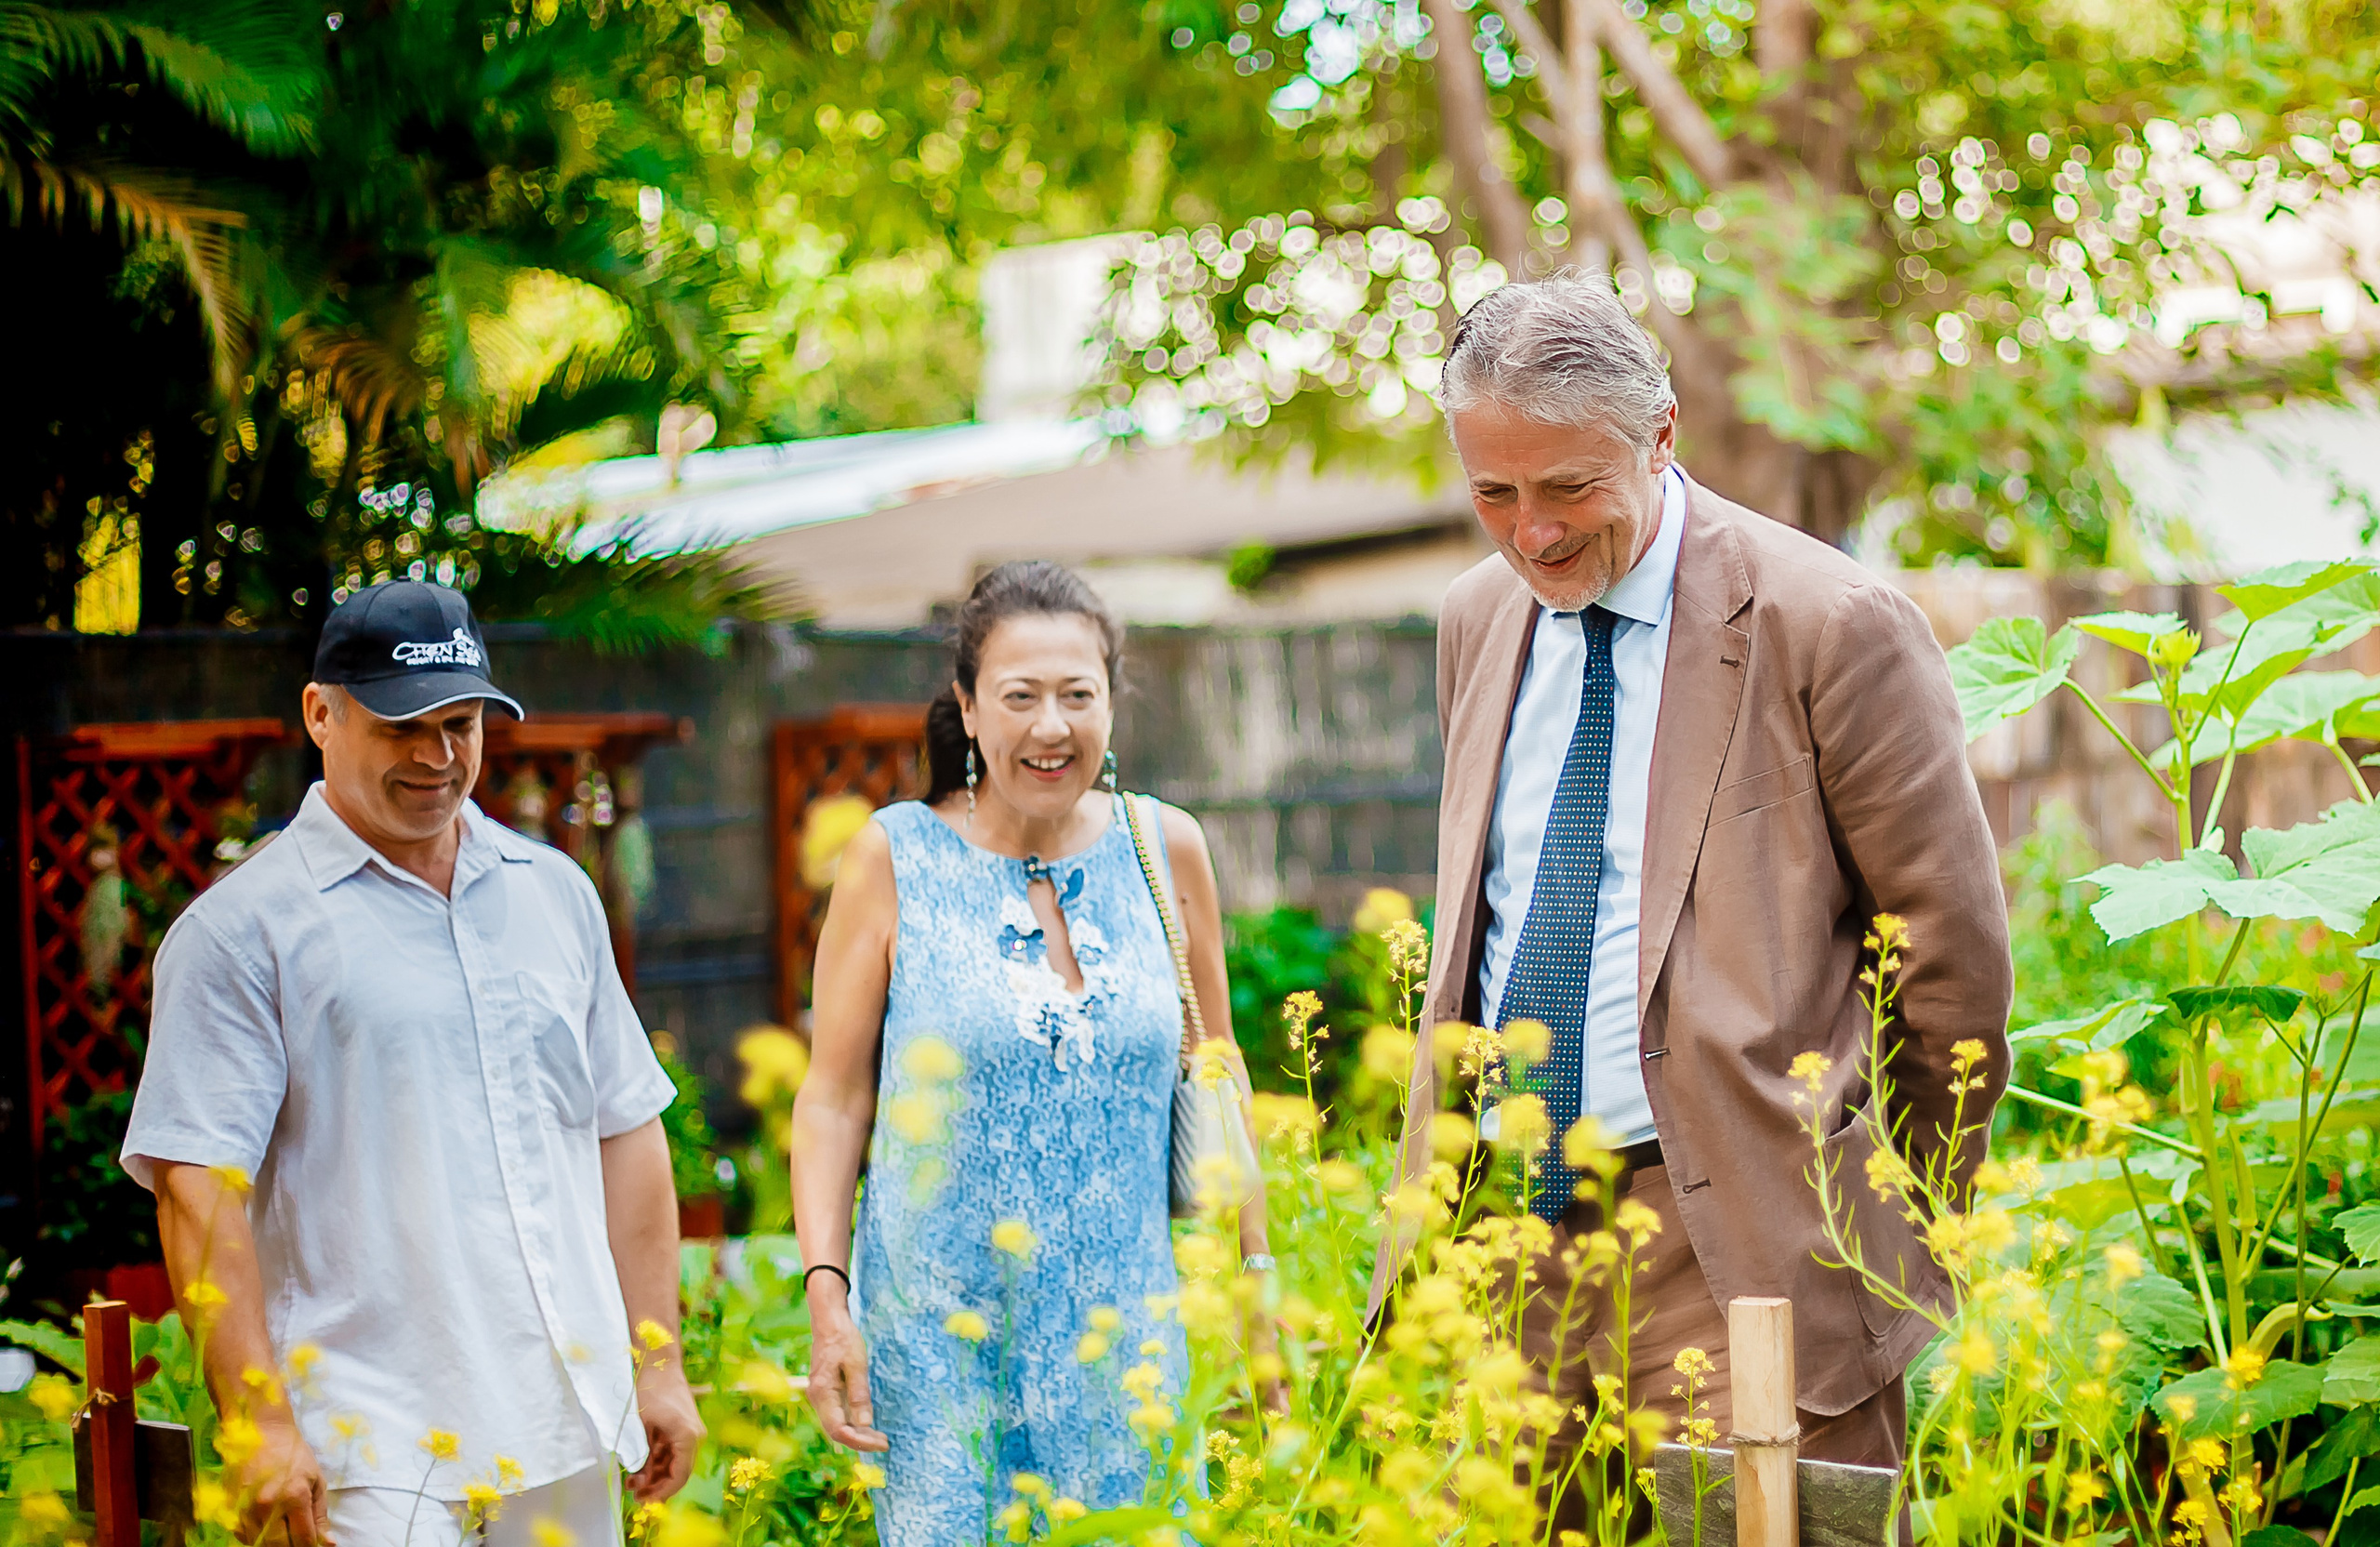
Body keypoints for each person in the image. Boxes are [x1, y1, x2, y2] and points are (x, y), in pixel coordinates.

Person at [1368, 274, 2013, 1515]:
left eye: (1567, 489)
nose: (1531, 535)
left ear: (1661, 437)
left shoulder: (1833, 622)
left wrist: (1888, 1227)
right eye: (1492, 494)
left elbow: (1952, 970)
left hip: (1742, 1250)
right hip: (1500, 1242)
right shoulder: (1475, 618)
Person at [122, 581, 700, 1547]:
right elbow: (195, 1185)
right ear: (321, 713)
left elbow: (625, 1133)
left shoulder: (554, 893)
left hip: (563, 1424)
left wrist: (657, 1360)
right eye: (402, 726)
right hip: (372, 1452)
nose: (438, 755)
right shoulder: (240, 932)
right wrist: (257, 1419)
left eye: (461, 722)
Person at [791, 561, 1275, 1546]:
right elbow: (834, 1098)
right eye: (1019, 696)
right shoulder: (894, 856)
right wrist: (827, 1295)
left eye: (1076, 694)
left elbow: (1216, 1071)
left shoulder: (1164, 844)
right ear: (967, 708)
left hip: (1124, 1334)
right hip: (938, 1339)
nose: (1050, 725)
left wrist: (1254, 1287)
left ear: (1111, 700)